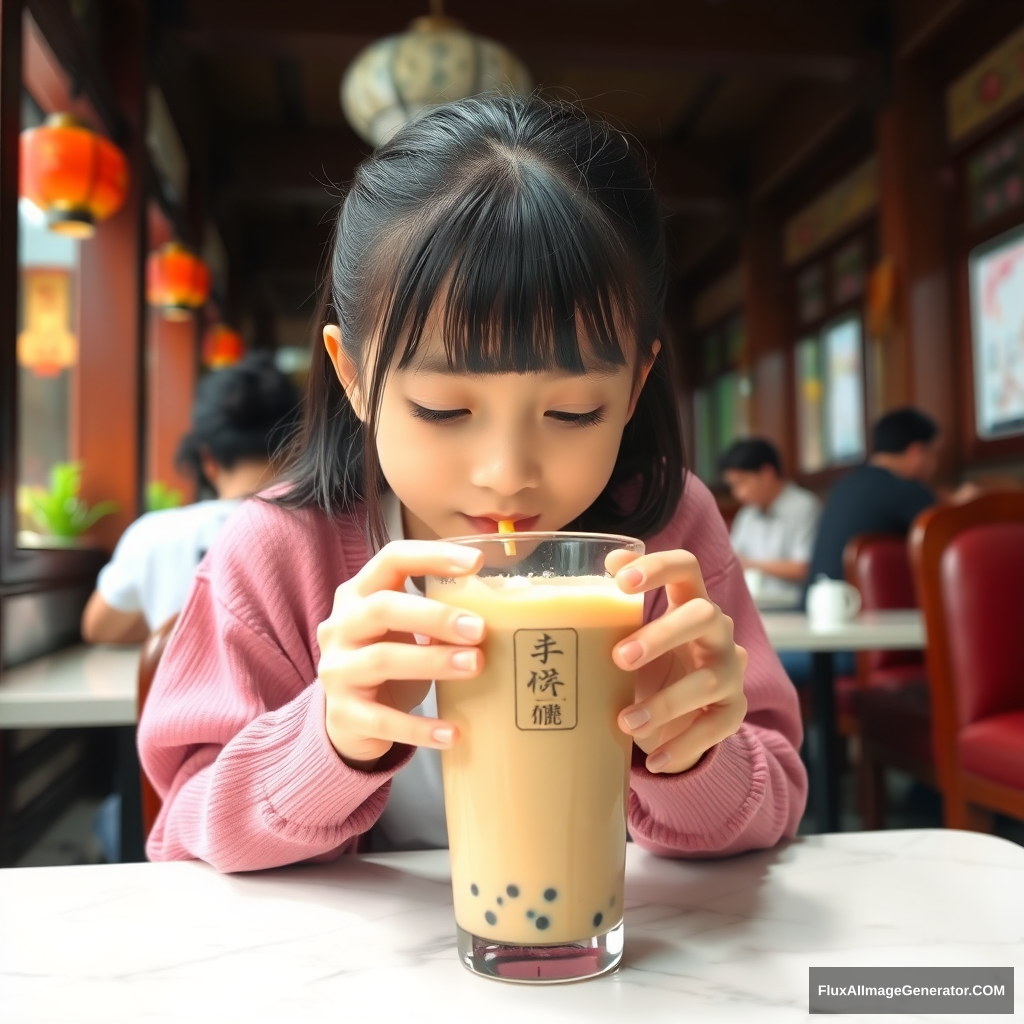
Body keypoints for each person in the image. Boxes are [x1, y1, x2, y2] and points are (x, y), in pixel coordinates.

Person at [139, 95, 807, 871]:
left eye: (572, 411)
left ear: (634, 387)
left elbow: (777, 798)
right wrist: (328, 738)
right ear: (353, 376)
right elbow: (182, 828)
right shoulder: (283, 549)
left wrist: (690, 752)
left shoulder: (664, 534)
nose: (506, 475)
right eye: (444, 408)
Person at [81, 354, 301, 643]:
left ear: (207, 459)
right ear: (298, 447)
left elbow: (99, 628)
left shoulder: (154, 535)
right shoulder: (329, 531)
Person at [807, 407, 941, 586]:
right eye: (935, 454)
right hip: (857, 609)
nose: (936, 465)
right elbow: (946, 539)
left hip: (816, 604)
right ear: (916, 452)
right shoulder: (905, 488)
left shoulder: (843, 486)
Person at [719, 438, 821, 607]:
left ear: (767, 473)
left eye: (741, 482)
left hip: (794, 605)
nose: (738, 493)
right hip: (753, 604)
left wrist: (750, 564)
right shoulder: (747, 514)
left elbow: (804, 567)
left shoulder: (804, 507)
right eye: (733, 486)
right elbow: (731, 560)